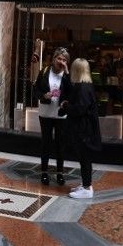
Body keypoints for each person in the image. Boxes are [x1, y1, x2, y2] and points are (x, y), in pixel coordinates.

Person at [60, 58, 101, 199]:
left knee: (85, 158)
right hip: (84, 129)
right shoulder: (84, 85)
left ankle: (87, 188)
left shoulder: (83, 87)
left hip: (84, 131)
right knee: (84, 158)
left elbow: (79, 109)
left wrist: (66, 106)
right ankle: (85, 184)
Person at [33, 47, 72, 185]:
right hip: (45, 113)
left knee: (60, 145)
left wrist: (67, 72)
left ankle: (60, 173)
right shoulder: (44, 72)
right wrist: (43, 95)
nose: (61, 61)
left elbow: (72, 90)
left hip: (60, 114)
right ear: (54, 59)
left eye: (64, 59)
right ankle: (44, 172)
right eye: (59, 58)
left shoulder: (67, 75)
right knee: (46, 143)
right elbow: (36, 89)